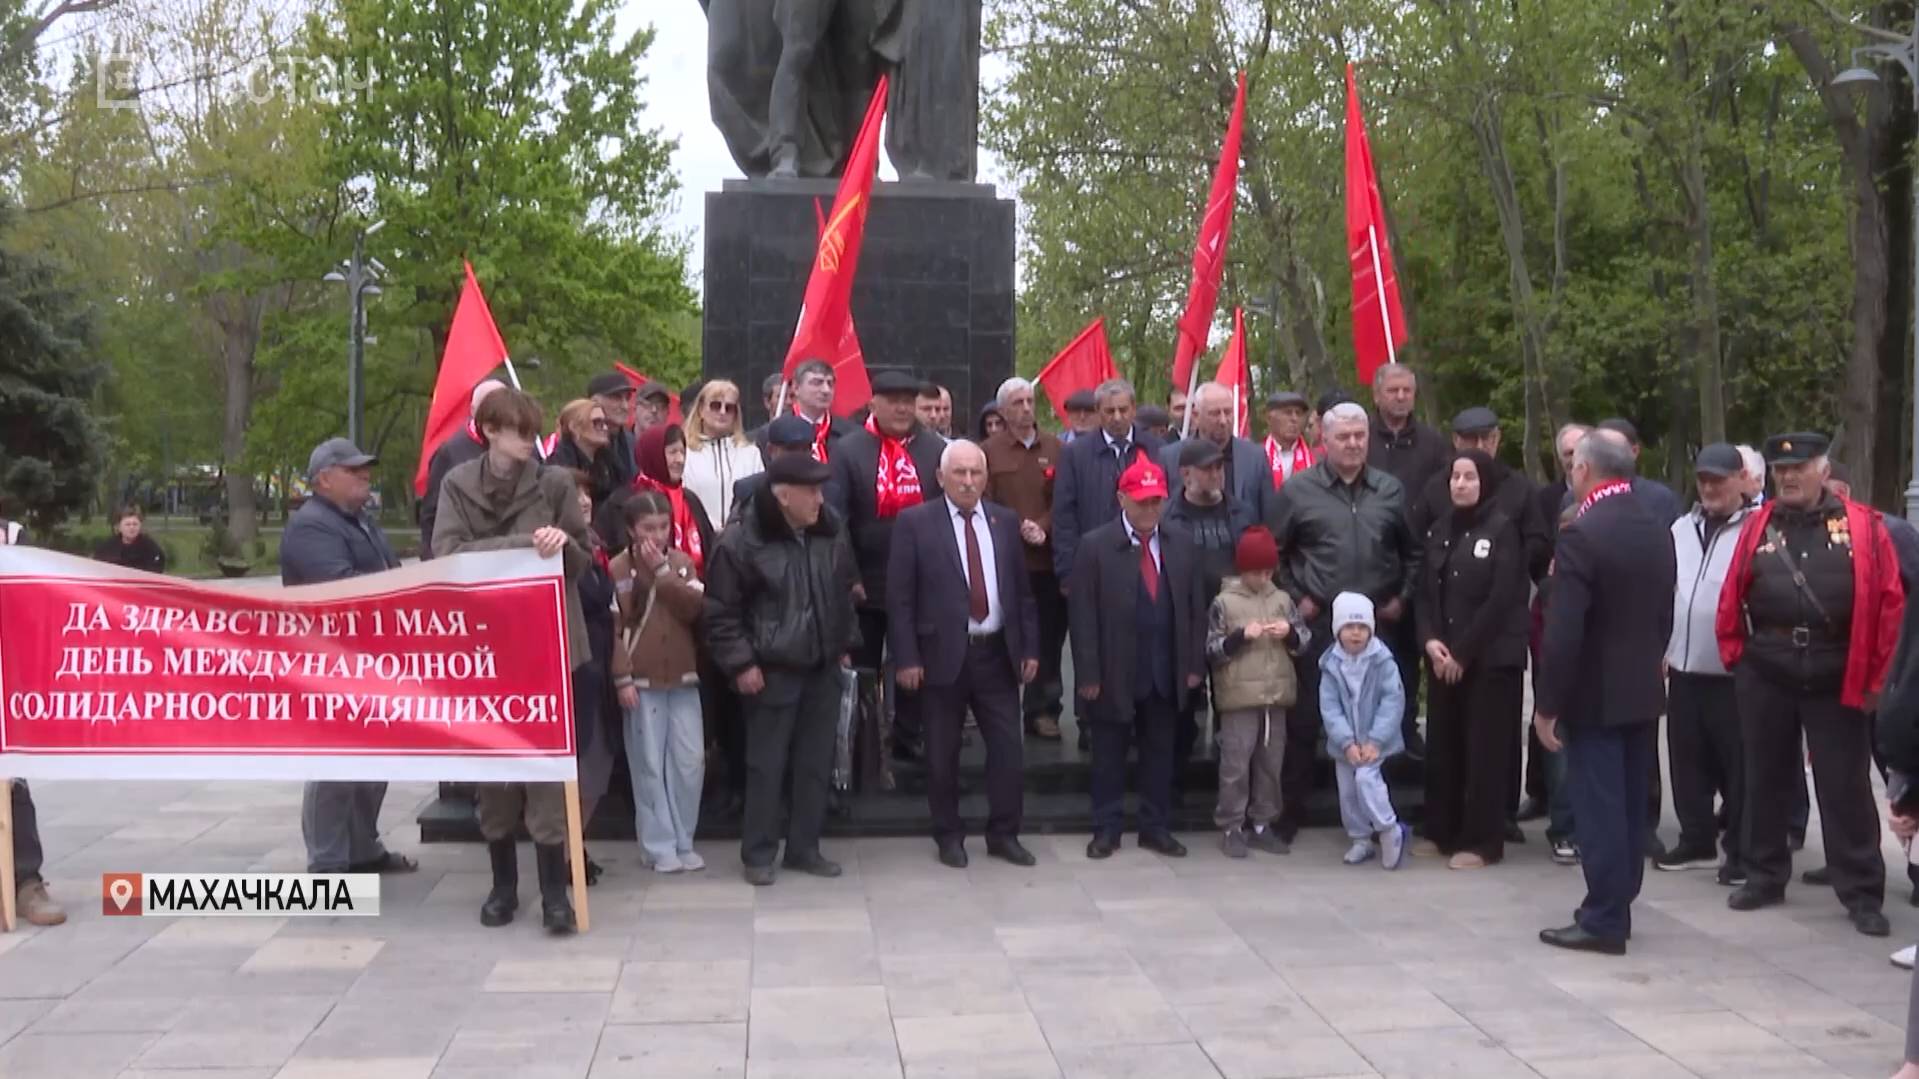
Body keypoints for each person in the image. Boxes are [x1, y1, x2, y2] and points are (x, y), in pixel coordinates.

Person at [1715, 432, 1903, 937]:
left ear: (1823, 471)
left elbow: (1890, 604)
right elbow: (1733, 590)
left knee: (1845, 786)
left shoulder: (1865, 527)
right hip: (1767, 669)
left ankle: (1861, 890)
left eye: (1799, 468)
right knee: (1763, 777)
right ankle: (1763, 874)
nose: (1789, 477)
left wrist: (1878, 678)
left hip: (1837, 670)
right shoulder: (1759, 525)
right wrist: (1736, 655)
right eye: (1782, 470)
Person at [433, 387, 591, 934]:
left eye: (532, 432)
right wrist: (525, 545)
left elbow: (583, 558)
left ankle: (554, 895)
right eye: (518, 432)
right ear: (490, 432)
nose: (529, 442)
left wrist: (562, 544)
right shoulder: (457, 484)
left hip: (546, 643)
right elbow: (446, 555)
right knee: (494, 773)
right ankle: (503, 886)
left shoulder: (555, 483)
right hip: (484, 649)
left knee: (547, 770)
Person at [1534, 431, 1676, 956]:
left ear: (1585, 470)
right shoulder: (1654, 526)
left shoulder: (1583, 532)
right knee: (1630, 805)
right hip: (1640, 686)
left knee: (1599, 809)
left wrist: (1547, 704)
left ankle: (1604, 918)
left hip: (1594, 692)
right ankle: (1619, 903)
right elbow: (1665, 609)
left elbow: (1564, 629)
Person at [705, 453, 862, 886]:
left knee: (815, 763)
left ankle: (804, 848)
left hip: (822, 666)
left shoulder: (829, 529)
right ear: (783, 496)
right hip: (771, 670)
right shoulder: (741, 541)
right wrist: (742, 664)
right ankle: (758, 853)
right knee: (766, 765)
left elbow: (844, 589)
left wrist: (844, 643)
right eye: (811, 491)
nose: (820, 499)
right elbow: (720, 613)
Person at [1268, 401, 1418, 842]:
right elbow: (1275, 551)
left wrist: (1401, 598)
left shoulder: (1390, 490)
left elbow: (1412, 552)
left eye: (1360, 436)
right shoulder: (1298, 491)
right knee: (1305, 720)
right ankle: (1289, 814)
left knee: (1378, 719)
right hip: (1319, 624)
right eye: (1344, 437)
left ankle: (1378, 816)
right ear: (1324, 440)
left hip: (1377, 626)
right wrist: (1299, 598)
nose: (1353, 444)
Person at [888, 440, 1040, 868]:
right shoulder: (915, 523)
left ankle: (1004, 834)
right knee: (942, 753)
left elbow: (1022, 593)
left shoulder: (1004, 521)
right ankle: (949, 835)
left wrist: (1029, 647)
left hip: (997, 654)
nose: (969, 481)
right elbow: (900, 597)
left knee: (1008, 750)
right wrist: (907, 657)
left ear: (986, 477)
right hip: (942, 655)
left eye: (976, 473)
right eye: (960, 473)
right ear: (941, 477)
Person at [281, 438, 418, 880]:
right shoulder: (311, 527)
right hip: (331, 661)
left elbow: (389, 575)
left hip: (371, 658)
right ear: (324, 479)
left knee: (373, 760)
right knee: (336, 763)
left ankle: (362, 849)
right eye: (353, 469)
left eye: (365, 468)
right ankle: (328, 864)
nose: (365, 475)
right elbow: (340, 589)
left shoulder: (361, 521)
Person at [1071, 457, 1205, 859]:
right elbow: (1082, 616)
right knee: (1108, 755)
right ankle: (1106, 828)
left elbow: (1195, 608)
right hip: (1114, 669)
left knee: (1160, 754)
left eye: (1157, 501)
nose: (1150, 509)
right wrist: (1088, 674)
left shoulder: (1182, 542)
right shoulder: (1095, 546)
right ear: (1122, 499)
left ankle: (1155, 827)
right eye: (1142, 501)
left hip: (1165, 668)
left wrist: (1193, 665)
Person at [1413, 450, 1529, 869]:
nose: (1460, 484)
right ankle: (1441, 829)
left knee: (1484, 751)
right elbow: (1425, 592)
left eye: (1470, 477)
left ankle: (1482, 841)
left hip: (1488, 660)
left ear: (1486, 483)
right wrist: (1430, 640)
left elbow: (1501, 599)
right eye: (1455, 477)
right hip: (1442, 658)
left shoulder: (1502, 530)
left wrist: (1462, 653)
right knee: (1443, 746)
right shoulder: (1440, 529)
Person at [828, 371, 946, 759]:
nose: (901, 409)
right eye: (892, 401)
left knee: (915, 662)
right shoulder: (849, 450)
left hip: (921, 581)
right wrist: (850, 575)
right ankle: (862, 744)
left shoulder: (934, 450)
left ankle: (908, 735)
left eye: (908, 401)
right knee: (863, 667)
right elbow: (837, 519)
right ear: (873, 403)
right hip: (867, 581)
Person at [1658, 444, 1753, 884]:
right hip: (1683, 666)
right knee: (1687, 761)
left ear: (1741, 480)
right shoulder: (1680, 528)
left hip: (1736, 671)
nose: (1711, 488)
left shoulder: (1758, 528)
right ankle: (1696, 839)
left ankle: (1742, 851)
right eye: (1704, 480)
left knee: (1740, 766)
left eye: (1719, 479)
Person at [611, 490, 708, 873]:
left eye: (664, 526)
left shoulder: (682, 564)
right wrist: (622, 676)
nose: (657, 535)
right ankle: (658, 844)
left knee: (689, 761)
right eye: (648, 528)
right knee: (648, 763)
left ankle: (685, 838)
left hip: (683, 676)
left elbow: (694, 608)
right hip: (641, 678)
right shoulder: (618, 569)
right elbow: (615, 627)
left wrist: (664, 573)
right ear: (632, 530)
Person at [1206, 526, 1304, 858]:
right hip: (1238, 699)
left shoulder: (1282, 600)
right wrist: (1239, 638)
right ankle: (1231, 826)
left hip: (1275, 696)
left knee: (1270, 764)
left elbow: (1303, 642)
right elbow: (1212, 650)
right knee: (1235, 765)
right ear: (1243, 568)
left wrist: (1290, 633)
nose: (1263, 578)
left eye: (1268, 571)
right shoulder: (1224, 602)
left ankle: (1263, 823)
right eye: (1256, 571)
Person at [1163, 437, 1258, 778]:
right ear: (1185, 473)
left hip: (1232, 621)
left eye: (1219, 467)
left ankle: (1230, 788)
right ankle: (1175, 785)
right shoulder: (1167, 515)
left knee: (1232, 710)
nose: (1216, 474)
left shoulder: (1241, 511)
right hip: (1184, 622)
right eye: (1207, 469)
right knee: (1181, 710)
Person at [983, 377, 1068, 742]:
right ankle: (995, 708)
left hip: (1046, 562)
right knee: (1002, 638)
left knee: (1047, 639)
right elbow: (983, 500)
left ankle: (1043, 710)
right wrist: (1016, 526)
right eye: (1017, 403)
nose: (1026, 408)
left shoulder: (1057, 447)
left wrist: (1043, 527)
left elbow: (1064, 498)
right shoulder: (988, 452)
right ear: (1003, 410)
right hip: (1005, 561)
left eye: (1030, 400)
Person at [1519, 422, 1591, 822]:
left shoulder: (1612, 503)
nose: (1572, 460)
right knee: (1546, 710)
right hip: (1549, 606)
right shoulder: (1545, 498)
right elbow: (1533, 548)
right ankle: (1544, 796)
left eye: (1578, 453)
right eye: (1566, 454)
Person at [4, 510, 65, 927]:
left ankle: (26, 881)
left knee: (12, 779)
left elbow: (36, 601)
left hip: (4, 674)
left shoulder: (12, 537)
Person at [1320, 592, 1410, 868]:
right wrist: (1346, 741)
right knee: (1348, 792)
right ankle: (1360, 838)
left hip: (1374, 740)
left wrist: (1376, 740)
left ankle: (1388, 828)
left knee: (1366, 780)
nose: (1356, 633)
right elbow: (1330, 707)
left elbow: (1392, 700)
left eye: (1362, 627)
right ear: (1338, 630)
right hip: (1346, 744)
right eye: (1349, 627)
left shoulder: (1383, 661)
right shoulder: (1331, 664)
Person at [560, 468, 617, 886]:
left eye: (587, 494)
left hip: (601, 667)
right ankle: (565, 854)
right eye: (573, 494)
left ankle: (573, 846)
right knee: (581, 767)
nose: (584, 501)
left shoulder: (596, 544)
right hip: (572, 672)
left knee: (598, 765)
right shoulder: (555, 551)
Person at [1159, 381, 1270, 521]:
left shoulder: (1255, 457)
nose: (1223, 421)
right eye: (1215, 414)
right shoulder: (1170, 458)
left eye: (1228, 412)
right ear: (1196, 416)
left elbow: (1268, 516)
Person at [421, 378, 506, 558]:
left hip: (514, 556)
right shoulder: (450, 452)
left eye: (503, 404)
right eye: (488, 406)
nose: (496, 413)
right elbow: (432, 514)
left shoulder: (525, 448)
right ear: (473, 410)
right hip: (467, 555)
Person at [683, 379, 765, 528]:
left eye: (729, 408)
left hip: (741, 536)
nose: (722, 412)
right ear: (701, 409)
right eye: (715, 406)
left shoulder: (751, 454)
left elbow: (758, 499)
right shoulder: (686, 454)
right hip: (699, 535)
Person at [1365, 363, 1449, 500]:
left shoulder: (1433, 443)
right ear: (1376, 396)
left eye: (1407, 390)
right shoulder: (1360, 440)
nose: (1401, 397)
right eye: (1393, 390)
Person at [733, 415, 827, 523]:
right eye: (792, 449)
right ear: (771, 450)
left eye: (805, 449)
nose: (799, 457)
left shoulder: (823, 490)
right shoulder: (748, 490)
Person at [1595, 418, 1681, 525]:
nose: (1606, 455)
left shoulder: (1659, 498)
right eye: (1599, 449)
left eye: (1614, 449)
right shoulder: (1581, 495)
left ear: (1634, 451)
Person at [769, 358, 858, 461]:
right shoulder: (773, 433)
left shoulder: (852, 434)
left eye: (830, 383)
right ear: (796, 388)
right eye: (817, 383)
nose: (826, 390)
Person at [550, 399, 622, 513]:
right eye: (597, 423)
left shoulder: (611, 461)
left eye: (605, 423)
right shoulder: (558, 467)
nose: (605, 428)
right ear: (574, 427)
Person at [585, 371, 642, 488]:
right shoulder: (580, 441)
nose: (625, 406)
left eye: (627, 398)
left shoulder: (633, 444)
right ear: (595, 401)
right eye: (616, 398)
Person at [1262, 391, 1316, 488]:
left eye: (1298, 413)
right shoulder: (1256, 458)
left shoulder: (1315, 459)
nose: (1294, 419)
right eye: (1287, 413)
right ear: (1269, 418)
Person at [94, 504, 166, 572]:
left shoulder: (150, 547)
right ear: (119, 527)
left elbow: (156, 567)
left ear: (140, 525)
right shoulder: (108, 547)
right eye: (127, 524)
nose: (132, 527)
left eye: (135, 524)